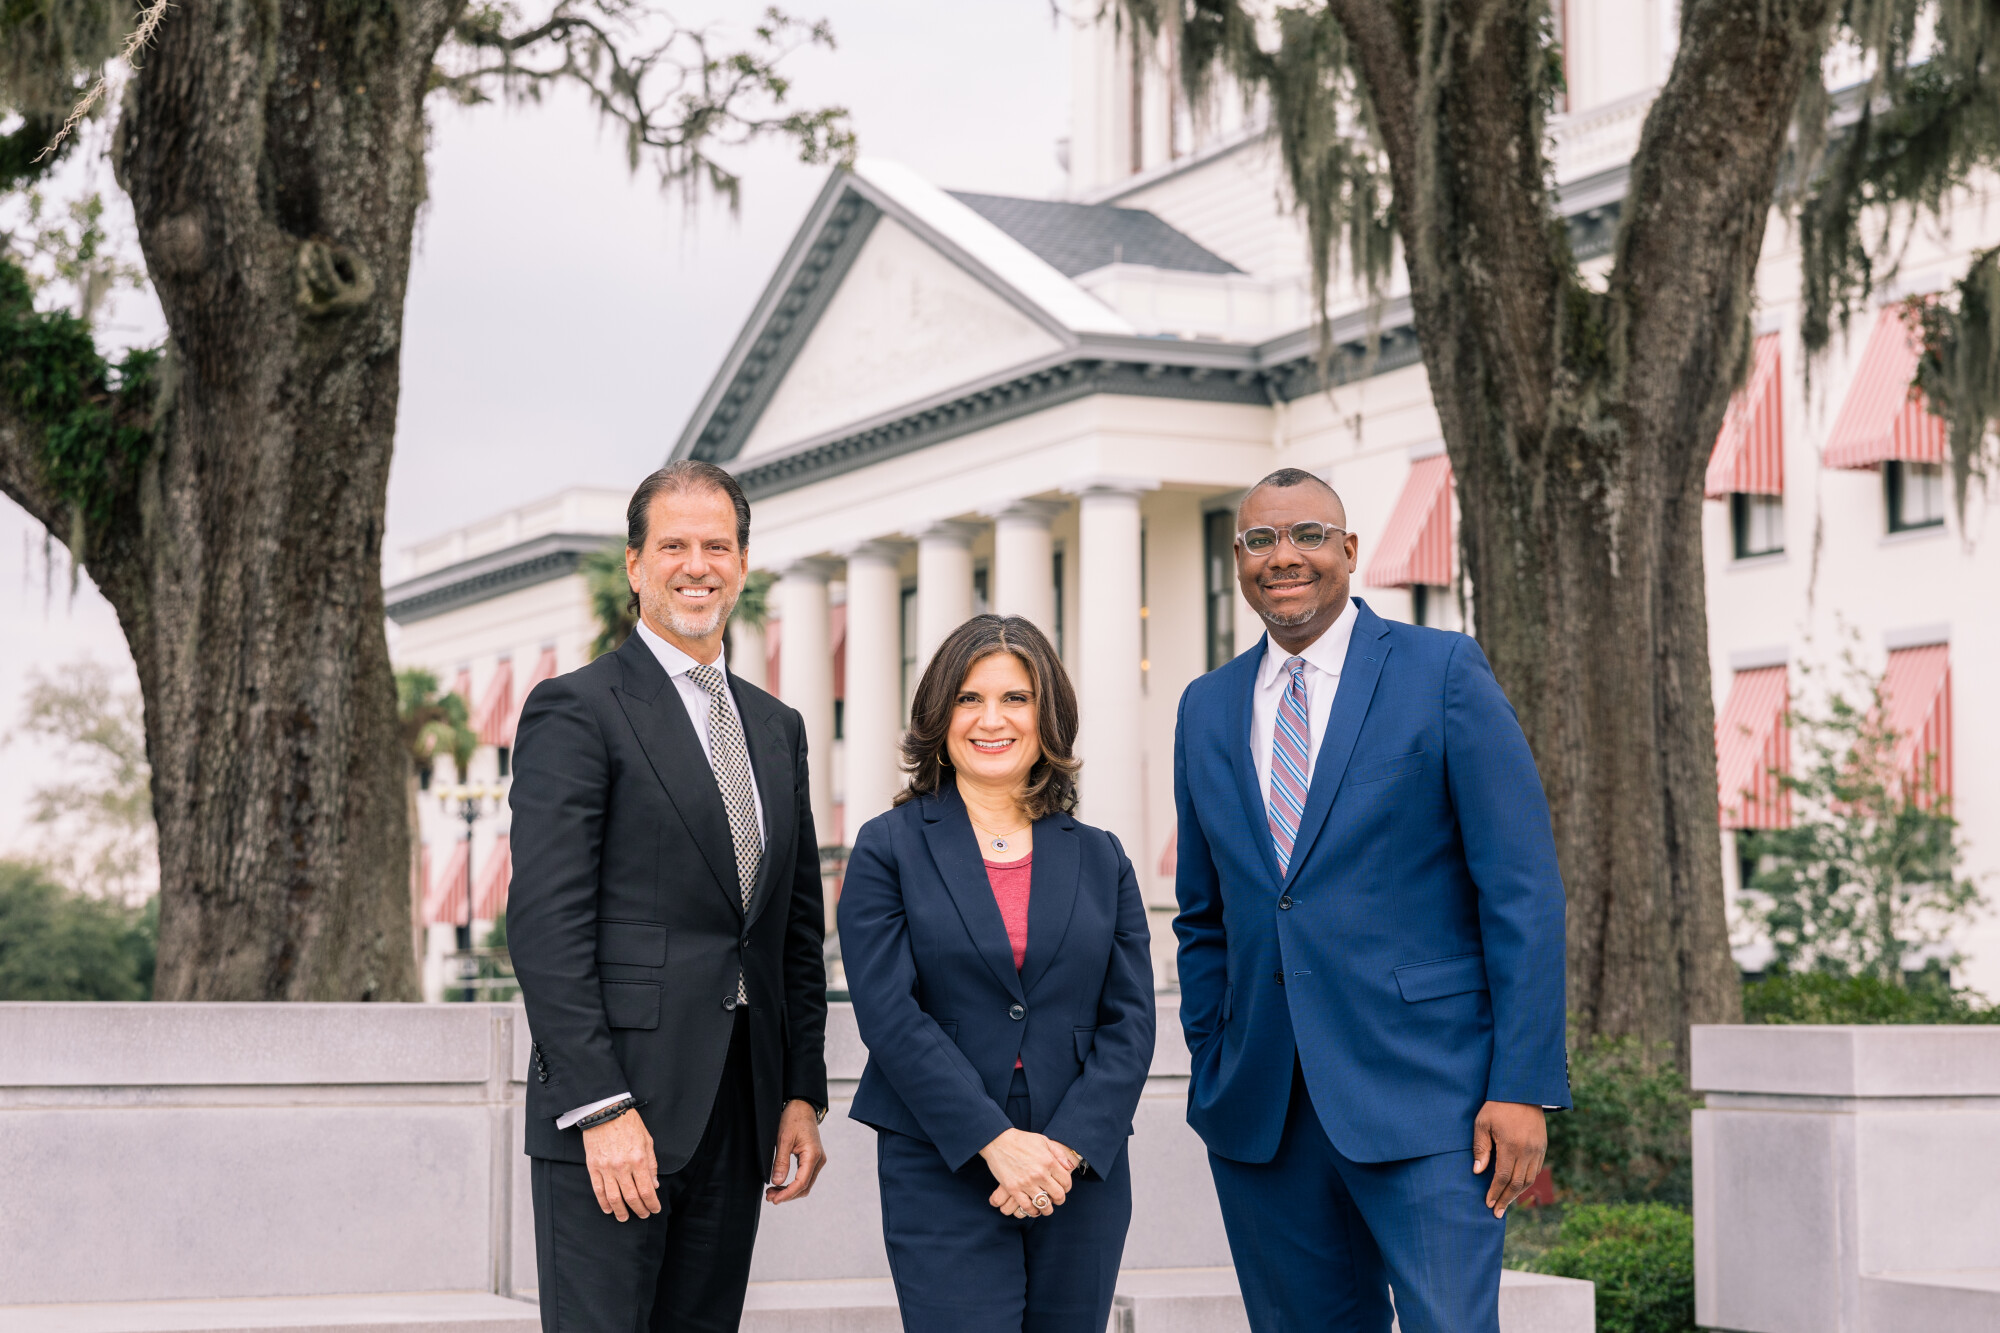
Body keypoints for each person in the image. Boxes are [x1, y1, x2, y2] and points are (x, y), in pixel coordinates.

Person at [1173, 468, 1570, 1332]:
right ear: (1238, 559)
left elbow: (1523, 892)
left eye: (1308, 534)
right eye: (1260, 540)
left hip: (1434, 1103)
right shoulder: (1205, 708)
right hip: (1262, 1110)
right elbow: (1204, 916)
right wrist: (1213, 1053)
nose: (1285, 556)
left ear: (1349, 551)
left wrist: (1525, 1085)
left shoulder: (1443, 671)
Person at [507, 460, 830, 1333]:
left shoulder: (777, 726)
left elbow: (793, 928)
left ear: (743, 562)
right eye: (674, 544)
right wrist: (601, 1106)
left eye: (717, 544)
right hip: (615, 1116)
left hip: (739, 1110)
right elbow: (546, 928)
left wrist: (800, 1089)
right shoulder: (575, 710)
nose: (698, 564)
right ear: (635, 565)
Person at [838, 614, 1155, 1333]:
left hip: (1080, 1169)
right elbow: (889, 1014)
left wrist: (1064, 1151)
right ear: (938, 715)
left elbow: (1131, 1021)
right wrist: (995, 1141)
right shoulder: (888, 848)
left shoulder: (1102, 858)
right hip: (942, 1158)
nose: (992, 719)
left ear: (1048, 717)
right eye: (969, 698)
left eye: (1016, 698)